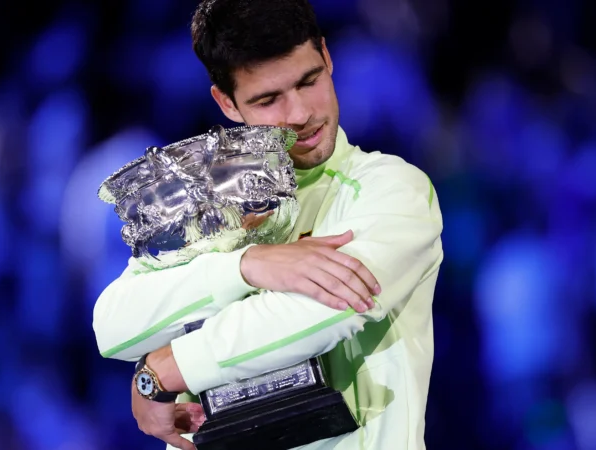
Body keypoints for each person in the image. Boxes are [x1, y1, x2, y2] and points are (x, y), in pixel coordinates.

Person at [92, 0, 444, 448]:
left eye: (308, 81)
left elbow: (328, 311)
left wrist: (165, 368)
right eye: (268, 99)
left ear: (327, 56)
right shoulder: (201, 197)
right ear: (226, 102)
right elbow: (114, 326)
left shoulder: (391, 189)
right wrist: (245, 266)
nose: (299, 114)